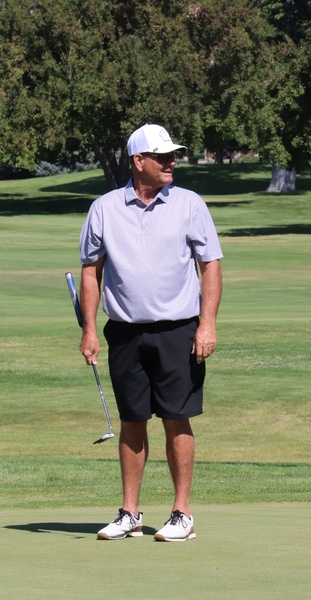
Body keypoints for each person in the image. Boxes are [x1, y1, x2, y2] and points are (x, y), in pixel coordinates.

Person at [79, 124, 223, 542]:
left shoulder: (189, 204)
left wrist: (207, 324)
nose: (171, 162)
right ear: (138, 161)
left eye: (172, 155)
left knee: (177, 419)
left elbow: (210, 265)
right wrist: (89, 329)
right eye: (162, 157)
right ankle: (130, 513)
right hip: (124, 333)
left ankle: (182, 514)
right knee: (132, 420)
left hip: (179, 331)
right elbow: (91, 271)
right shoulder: (104, 208)